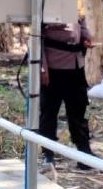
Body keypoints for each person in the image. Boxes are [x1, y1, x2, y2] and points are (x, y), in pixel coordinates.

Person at [39, 18, 94, 169]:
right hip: (53, 69)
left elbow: (81, 22)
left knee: (79, 110)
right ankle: (48, 154)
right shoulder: (44, 5)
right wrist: (42, 68)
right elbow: (35, 39)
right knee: (48, 113)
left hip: (75, 67)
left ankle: (84, 153)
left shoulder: (74, 0)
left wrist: (85, 37)